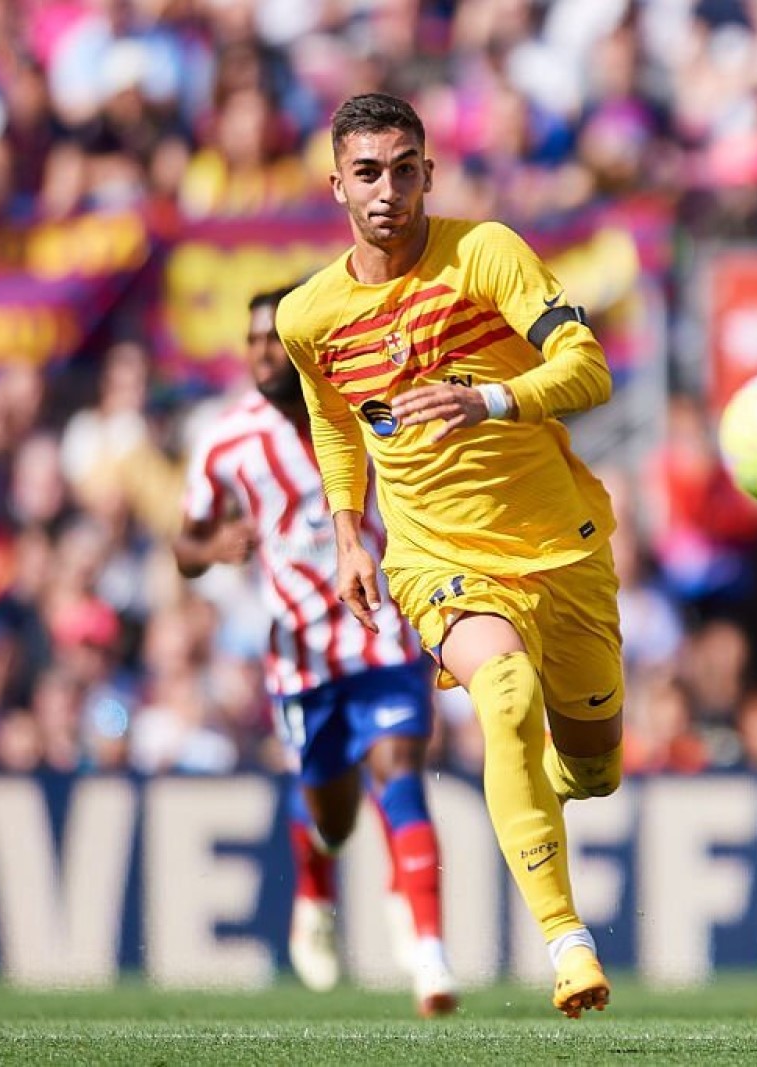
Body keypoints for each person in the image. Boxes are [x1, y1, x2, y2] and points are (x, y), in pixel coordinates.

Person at [276, 92, 625, 1019]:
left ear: (428, 172)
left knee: (595, 768)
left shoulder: (486, 254)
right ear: (337, 185)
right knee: (502, 696)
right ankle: (567, 940)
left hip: (561, 548)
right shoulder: (308, 317)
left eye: (404, 169)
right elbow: (336, 420)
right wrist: (350, 533)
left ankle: (559, 778)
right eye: (367, 172)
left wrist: (491, 400)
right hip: (438, 560)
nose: (386, 190)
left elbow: (588, 366)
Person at [175, 286, 458, 1017]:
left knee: (401, 774)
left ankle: (429, 954)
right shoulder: (226, 440)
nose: (264, 351)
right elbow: (184, 542)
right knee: (333, 817)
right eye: (253, 341)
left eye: (275, 337)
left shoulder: (366, 410)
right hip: (301, 657)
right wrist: (213, 544)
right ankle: (314, 889)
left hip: (386, 636)